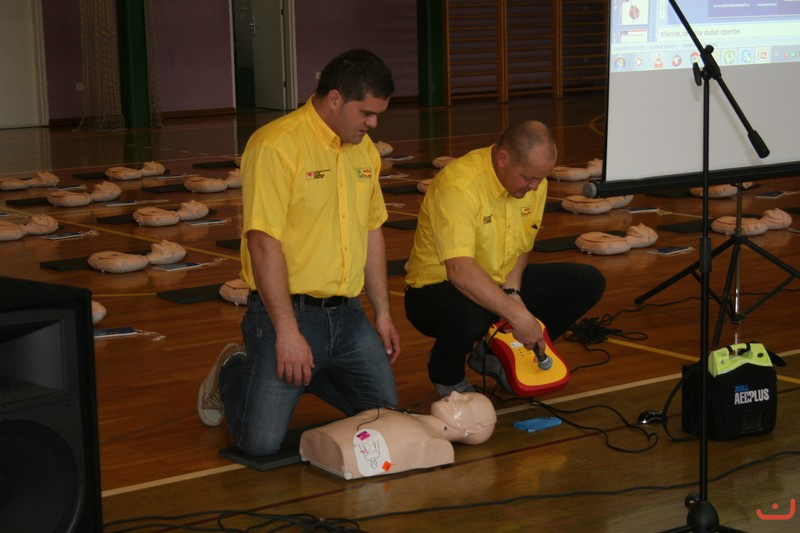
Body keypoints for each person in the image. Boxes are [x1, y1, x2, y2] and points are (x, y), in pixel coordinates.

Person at [197, 49, 401, 457]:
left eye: (378, 114)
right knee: (260, 445)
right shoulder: (275, 145)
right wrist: (288, 333)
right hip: (287, 314)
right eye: (366, 113)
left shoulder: (364, 150)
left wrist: (382, 312)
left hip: (348, 317)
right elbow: (262, 242)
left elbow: (371, 230)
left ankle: (312, 370)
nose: (373, 124)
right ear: (335, 99)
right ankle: (232, 372)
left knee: (387, 421)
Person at [404, 120, 606, 397]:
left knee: (586, 282)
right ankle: (446, 373)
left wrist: (513, 293)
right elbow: (460, 270)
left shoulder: (534, 182)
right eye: (528, 178)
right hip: (435, 290)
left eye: (541, 178)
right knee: (475, 313)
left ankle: (492, 354)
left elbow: (521, 247)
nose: (535, 186)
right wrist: (516, 314)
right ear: (503, 159)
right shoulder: (458, 185)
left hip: (496, 280)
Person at [298, 391, 496, 479]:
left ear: (475, 428)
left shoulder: (436, 445)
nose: (454, 394)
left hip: (340, 453)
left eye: (465, 400)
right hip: (326, 440)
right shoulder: (415, 420)